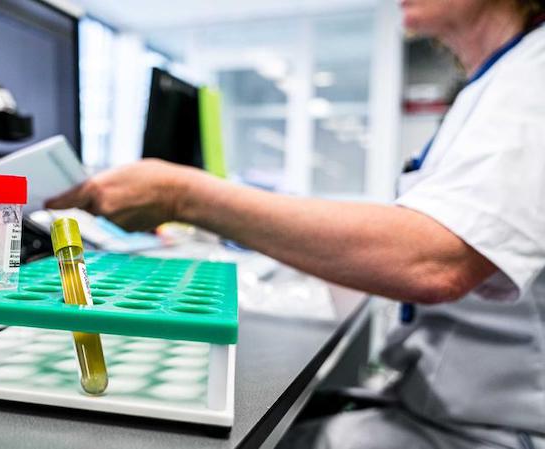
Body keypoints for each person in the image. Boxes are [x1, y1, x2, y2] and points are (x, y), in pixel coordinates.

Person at [47, 0, 545, 447]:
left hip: (484, 429)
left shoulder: (534, 74)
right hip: (436, 408)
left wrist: (185, 195)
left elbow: (437, 257)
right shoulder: (495, 83)